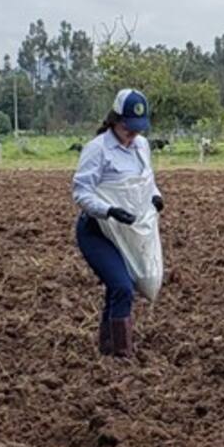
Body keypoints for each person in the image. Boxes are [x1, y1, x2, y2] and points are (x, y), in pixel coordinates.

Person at [72, 88, 163, 358]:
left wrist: (156, 197)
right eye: (127, 128)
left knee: (119, 288)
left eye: (137, 129)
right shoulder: (97, 150)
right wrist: (109, 210)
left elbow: (147, 181)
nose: (133, 134)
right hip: (98, 231)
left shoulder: (142, 147)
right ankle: (122, 354)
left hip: (130, 231)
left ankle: (107, 348)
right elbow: (81, 192)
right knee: (122, 286)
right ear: (114, 120)